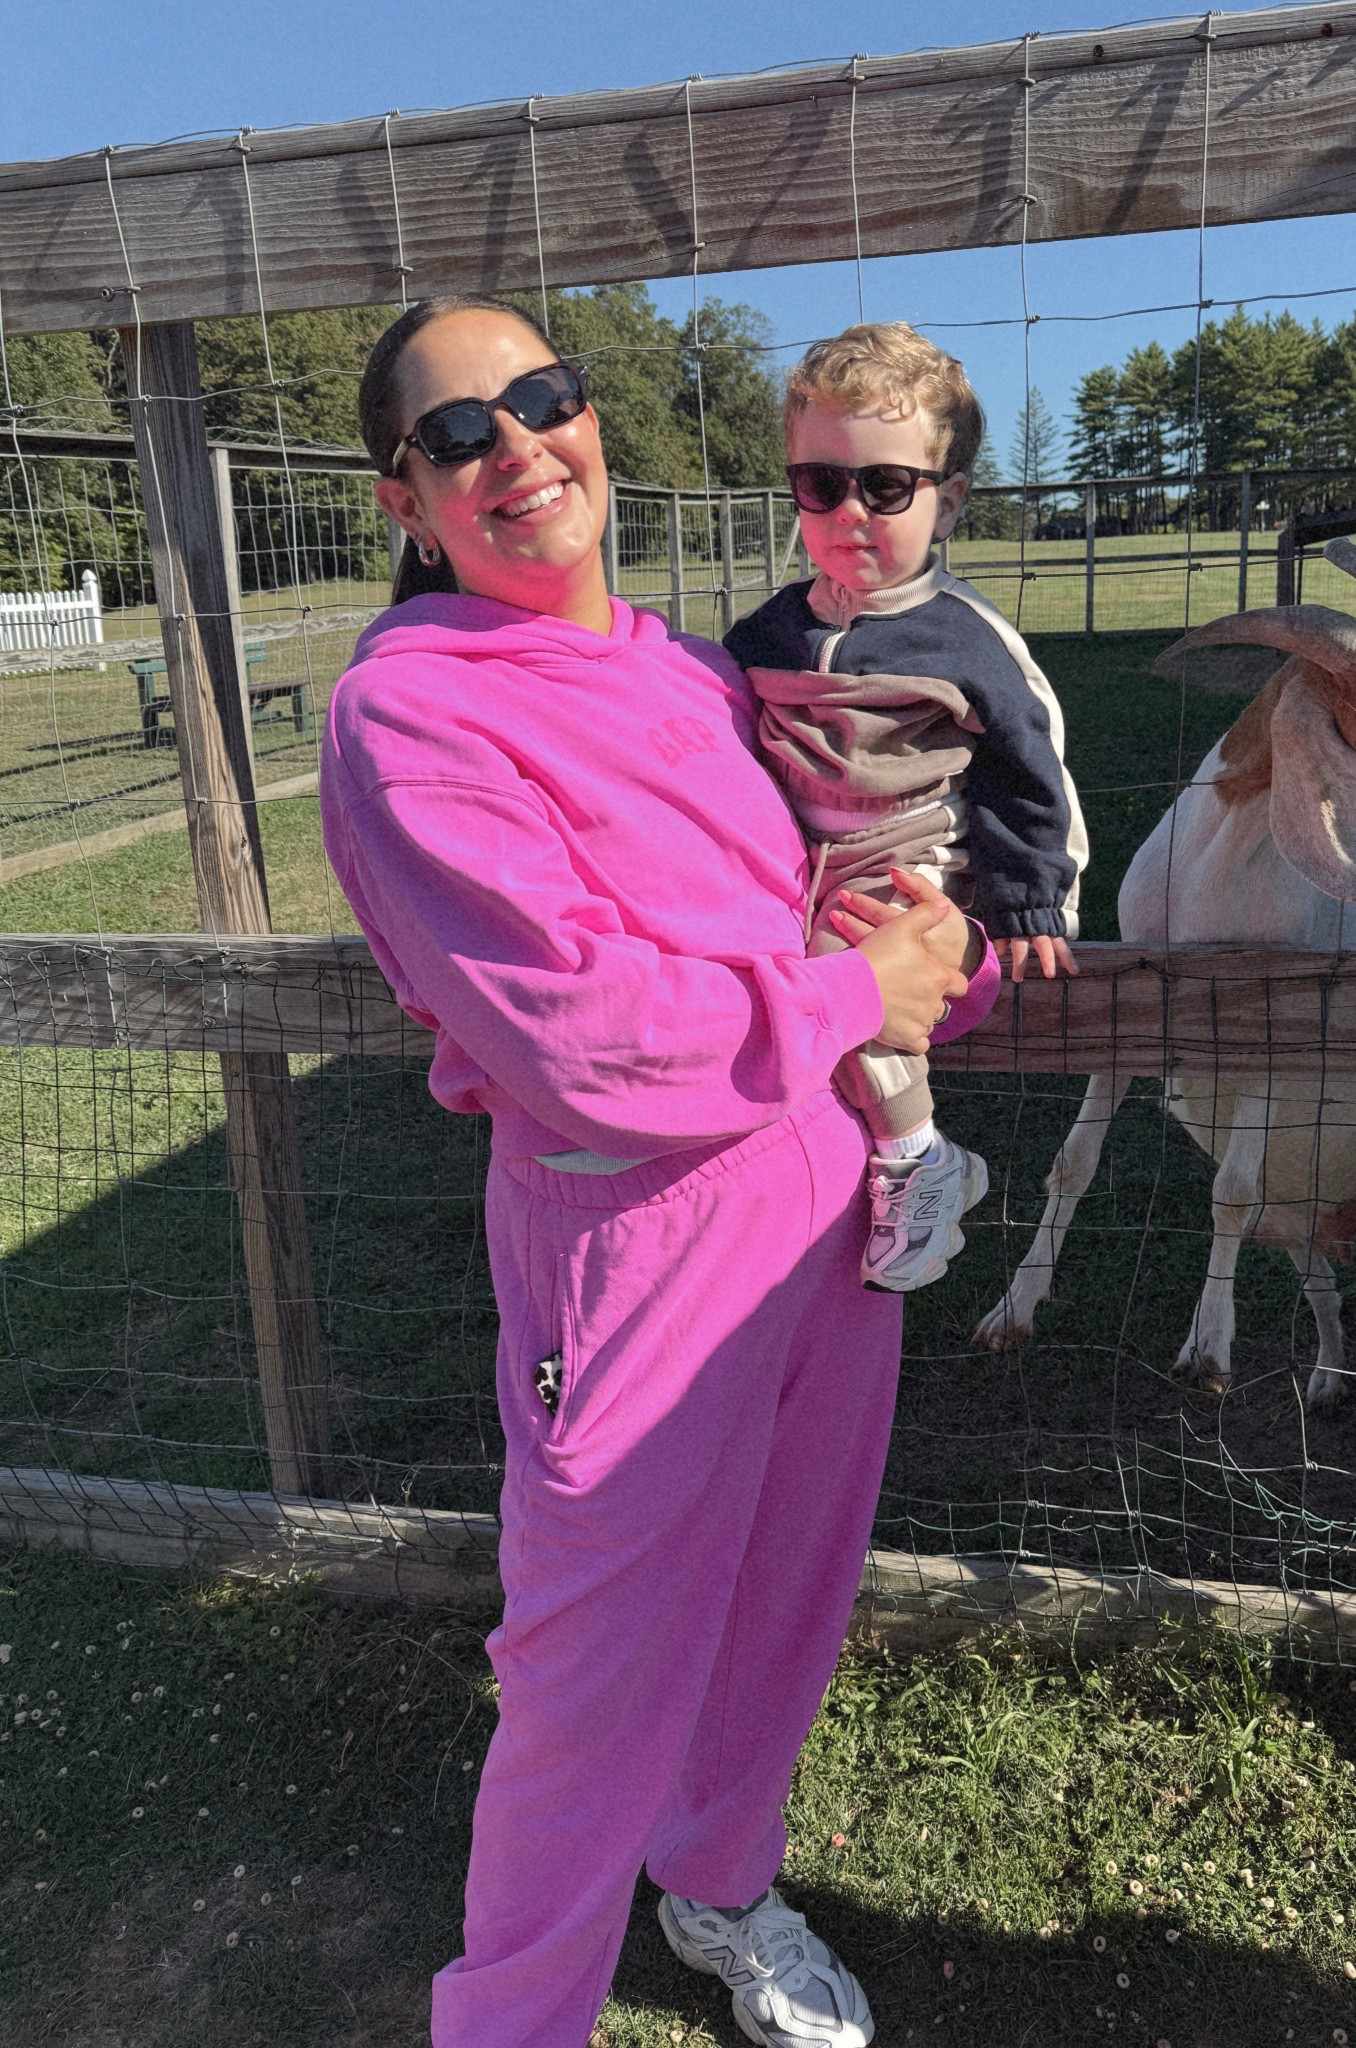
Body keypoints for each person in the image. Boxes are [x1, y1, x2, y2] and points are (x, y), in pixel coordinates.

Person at [319, 293, 1002, 2048]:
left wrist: (941, 953)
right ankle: (510, 2016)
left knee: (784, 1595)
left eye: (540, 398)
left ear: (590, 418)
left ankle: (716, 1880)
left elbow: (796, 902)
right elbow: (577, 1029)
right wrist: (852, 994)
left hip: (818, 1201)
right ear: (406, 499)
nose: (514, 448)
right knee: (588, 1674)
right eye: (455, 434)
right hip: (633, 1234)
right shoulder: (408, 714)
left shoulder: (687, 668)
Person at [725, 323, 1087, 1294]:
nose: (849, 512)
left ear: (948, 500)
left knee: (844, 974)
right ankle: (800, 1171)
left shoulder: (966, 641)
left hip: (915, 862)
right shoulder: (765, 635)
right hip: (801, 863)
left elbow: (1028, 775)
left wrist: (1031, 903)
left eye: (885, 486)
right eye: (820, 484)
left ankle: (918, 1155)